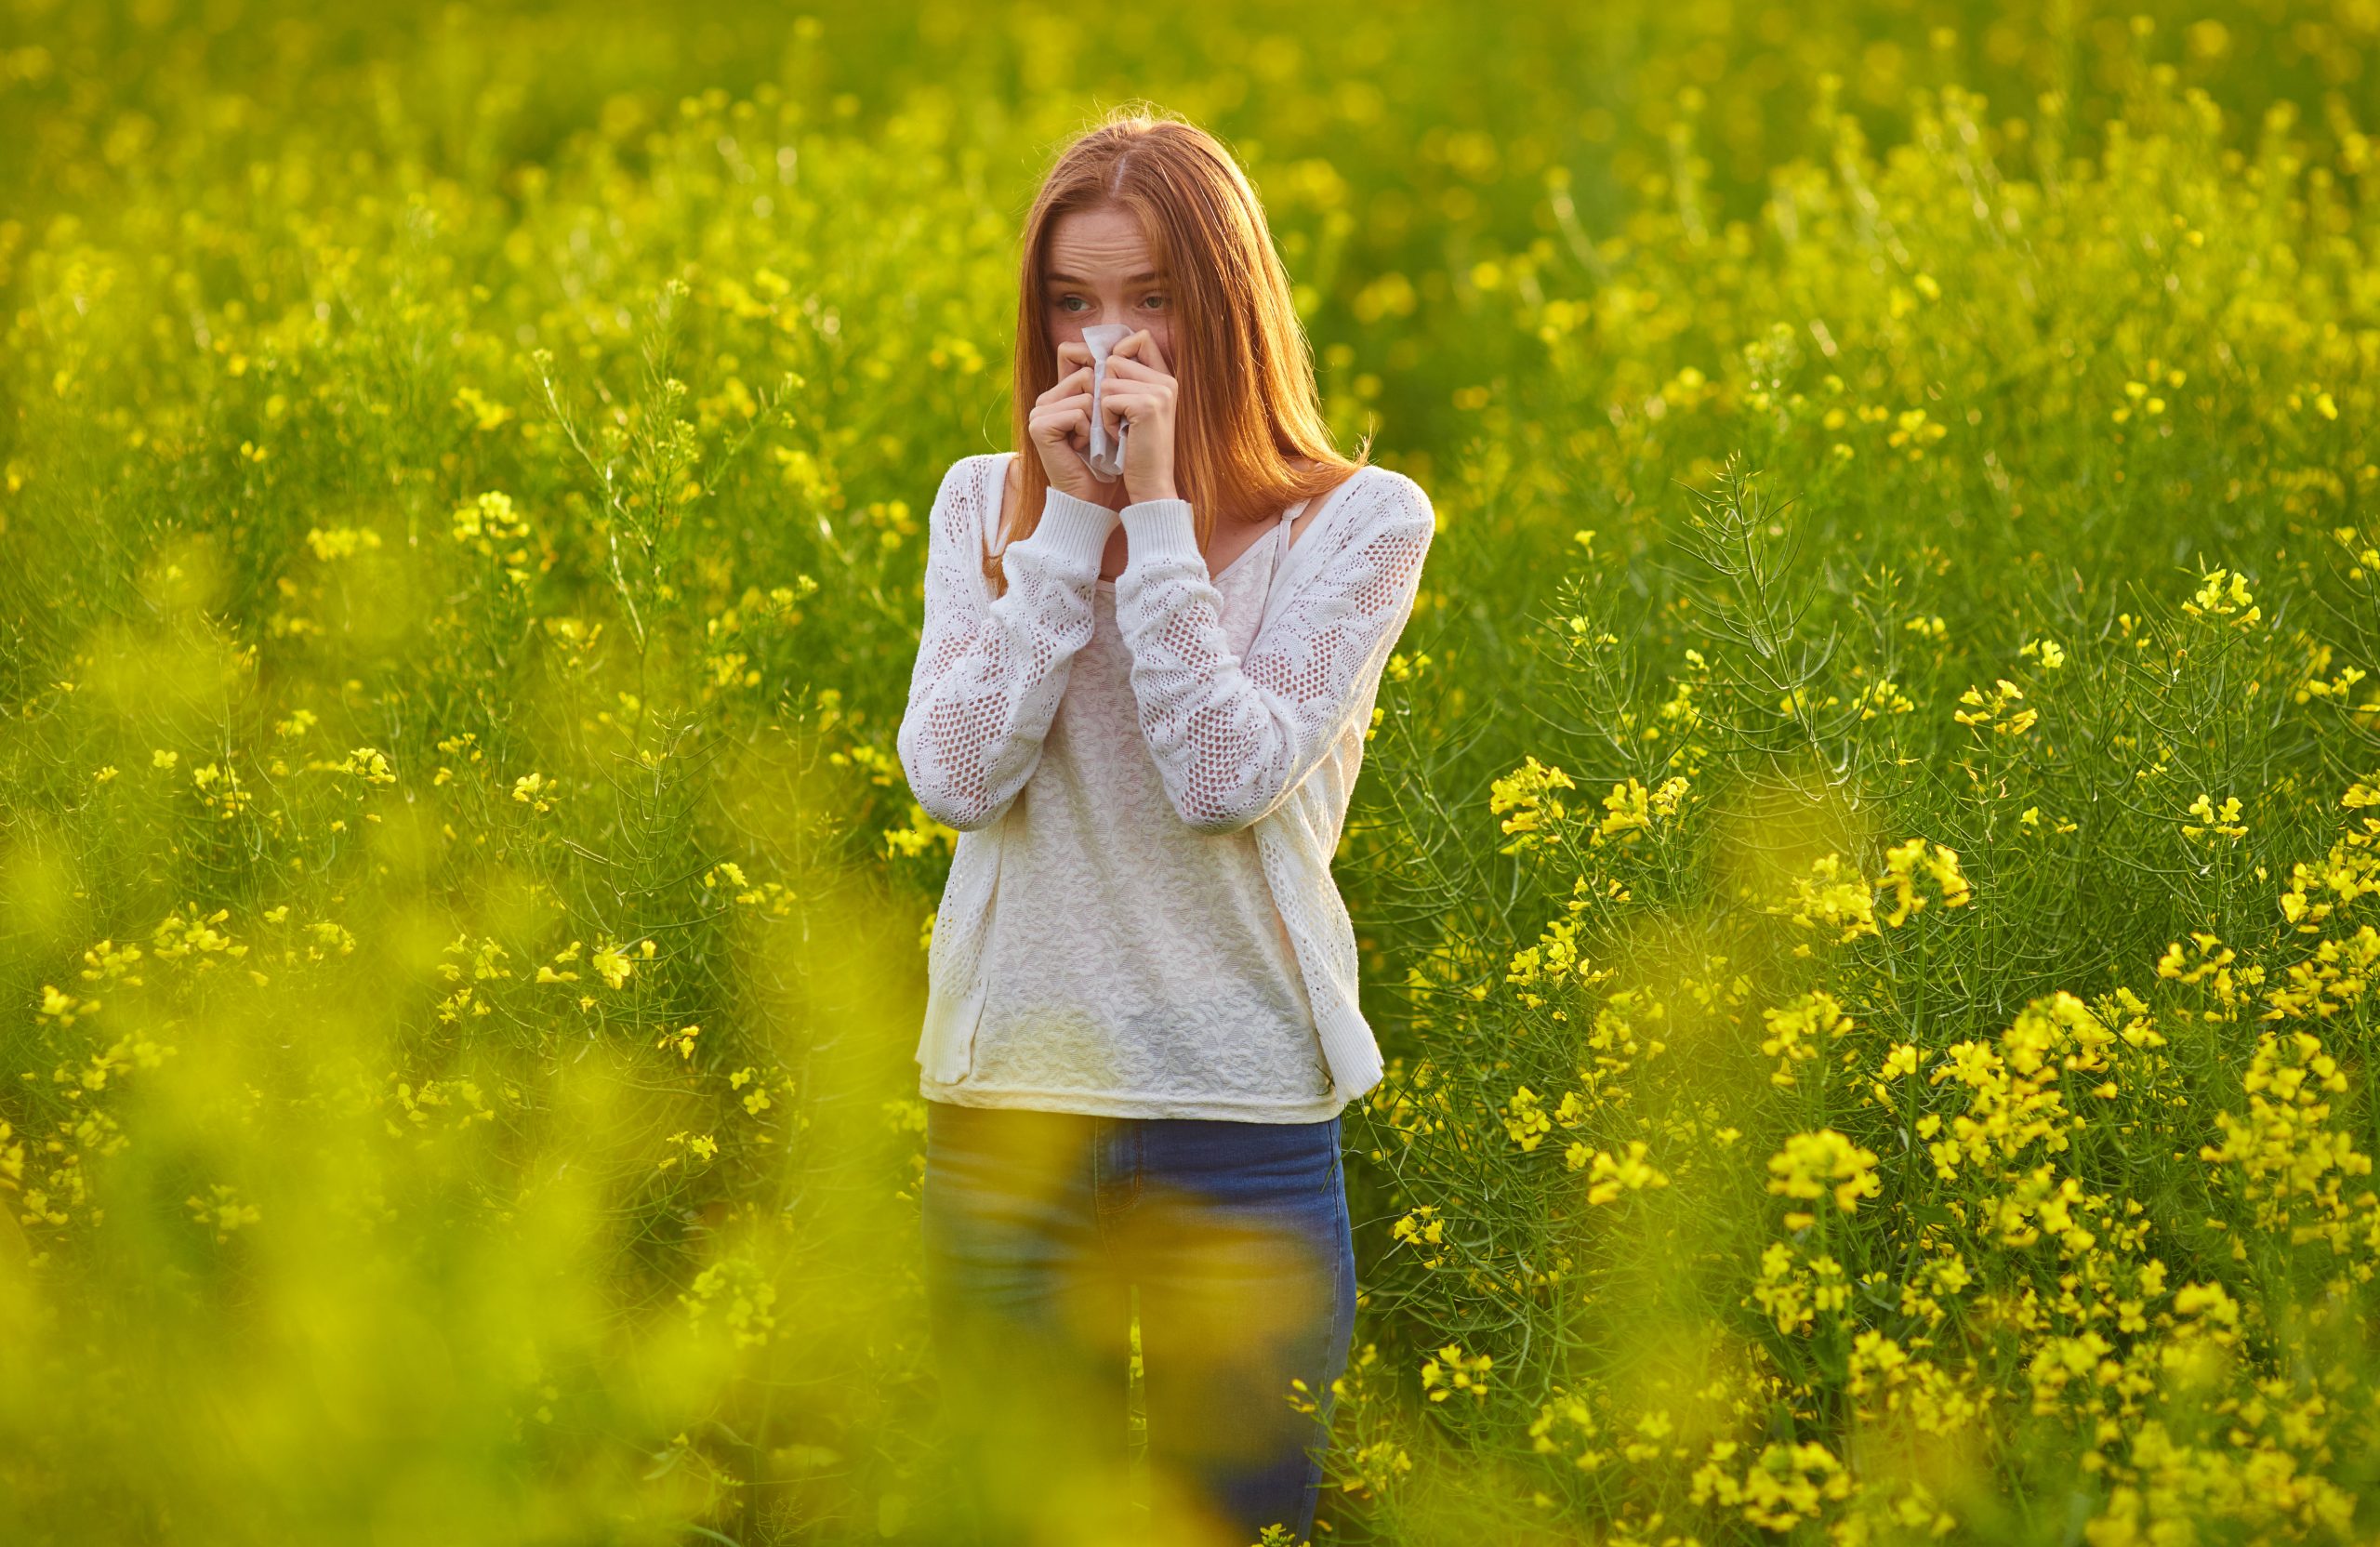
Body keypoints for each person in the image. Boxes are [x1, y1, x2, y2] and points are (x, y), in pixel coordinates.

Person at [896, 102, 1437, 1546]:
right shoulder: (980, 508)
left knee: (1242, 1526)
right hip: (1009, 1113)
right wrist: (1070, 529)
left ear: (1228, 303)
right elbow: (951, 776)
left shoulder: (1362, 523)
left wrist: (1161, 517)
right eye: (1071, 303)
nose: (1103, 345)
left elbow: (1220, 776)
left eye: (1152, 301)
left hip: (1242, 1121)